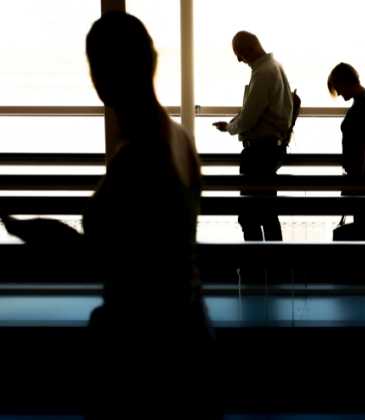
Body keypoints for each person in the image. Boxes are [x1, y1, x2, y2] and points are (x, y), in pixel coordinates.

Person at [5, 11, 219, 418]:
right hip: (187, 334)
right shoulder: (178, 138)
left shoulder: (139, 155)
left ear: (102, 73)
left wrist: (32, 231)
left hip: (141, 352)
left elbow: (101, 257)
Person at [213, 31, 293, 241]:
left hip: (259, 152)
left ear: (250, 48)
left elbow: (249, 117)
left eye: (239, 54)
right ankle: (274, 268)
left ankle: (253, 267)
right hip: (271, 148)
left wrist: (230, 128)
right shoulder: (275, 67)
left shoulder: (263, 73)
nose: (239, 60)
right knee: (267, 212)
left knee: (249, 214)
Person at [327, 62, 365, 237]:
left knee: (363, 222)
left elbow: (362, 147)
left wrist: (354, 181)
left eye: (338, 88)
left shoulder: (363, 105)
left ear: (345, 82)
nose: (339, 93)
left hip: (362, 175)